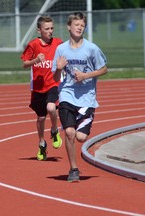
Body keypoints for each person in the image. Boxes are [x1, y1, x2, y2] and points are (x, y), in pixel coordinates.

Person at [52, 12, 108, 182]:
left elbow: (104, 69)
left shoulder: (91, 48)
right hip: (67, 94)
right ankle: (73, 169)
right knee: (69, 133)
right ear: (69, 27)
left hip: (87, 98)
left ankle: (85, 121)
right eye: (76, 25)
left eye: (82, 25)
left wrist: (86, 76)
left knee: (81, 137)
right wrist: (59, 68)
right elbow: (55, 79)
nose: (79, 27)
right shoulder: (61, 49)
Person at [21, 16, 63, 161]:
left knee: (51, 108)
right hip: (38, 88)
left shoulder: (58, 43)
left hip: (53, 84)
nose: (50, 31)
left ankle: (54, 130)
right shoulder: (33, 45)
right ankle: (41, 143)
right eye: (47, 29)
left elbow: (67, 54)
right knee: (41, 117)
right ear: (39, 30)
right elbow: (25, 64)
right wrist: (35, 60)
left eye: (52, 28)